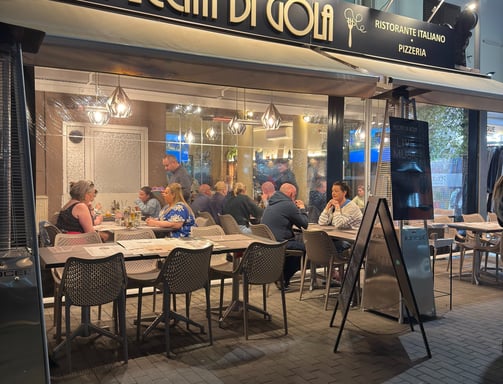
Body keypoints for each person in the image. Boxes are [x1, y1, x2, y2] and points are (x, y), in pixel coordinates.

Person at [261, 183, 308, 289]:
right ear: (291, 194)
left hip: (269, 241)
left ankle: (281, 276)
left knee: (296, 243)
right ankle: (283, 277)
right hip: (280, 243)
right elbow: (304, 224)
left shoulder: (272, 203)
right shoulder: (288, 204)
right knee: (309, 248)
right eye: (295, 195)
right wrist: (302, 208)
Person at [318, 181, 362, 252]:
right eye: (332, 191)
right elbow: (322, 222)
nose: (333, 193)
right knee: (320, 242)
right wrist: (327, 208)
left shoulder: (351, 206)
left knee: (326, 246)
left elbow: (339, 224)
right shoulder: (333, 204)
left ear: (344, 193)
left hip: (352, 241)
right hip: (338, 237)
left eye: (336, 191)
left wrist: (338, 209)